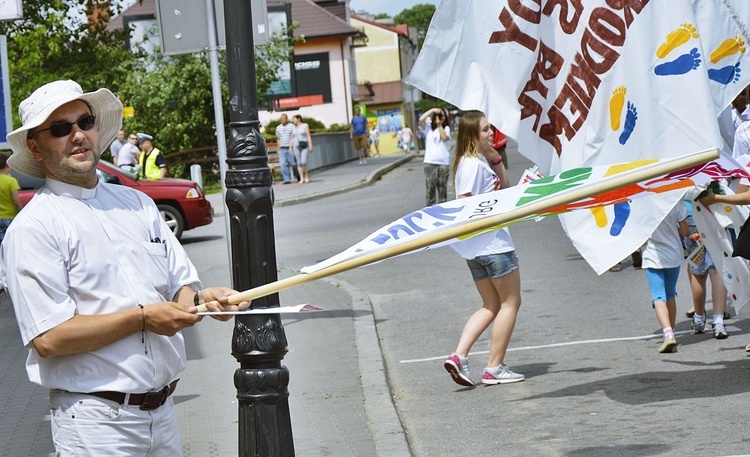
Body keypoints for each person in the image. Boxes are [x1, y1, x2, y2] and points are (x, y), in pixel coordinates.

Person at [1, 79, 250, 455]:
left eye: (84, 122)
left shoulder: (137, 203)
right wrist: (143, 318)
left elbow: (177, 287)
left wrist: (202, 299)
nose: (78, 135)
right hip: (94, 424)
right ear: (35, 146)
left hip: (162, 412)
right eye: (60, 128)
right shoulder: (33, 228)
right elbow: (48, 338)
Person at [442, 110, 524, 387]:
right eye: (486, 130)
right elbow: (466, 203)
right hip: (492, 244)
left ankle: (459, 356)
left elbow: (505, 188)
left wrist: (496, 159)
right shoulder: (472, 166)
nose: (492, 133)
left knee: (491, 305)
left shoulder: (478, 161)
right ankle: (494, 367)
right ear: (473, 135)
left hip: (478, 248)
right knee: (511, 302)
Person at [641, 200, 690, 353]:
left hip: (653, 255)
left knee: (658, 296)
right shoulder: (676, 203)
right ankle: (672, 331)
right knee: (670, 294)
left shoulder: (643, 205)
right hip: (673, 254)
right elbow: (685, 232)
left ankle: (667, 333)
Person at [419, 107, 451, 206]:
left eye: (443, 115)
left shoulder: (446, 128)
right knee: (430, 189)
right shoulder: (428, 128)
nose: (441, 117)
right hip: (430, 162)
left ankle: (443, 211)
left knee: (442, 190)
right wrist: (432, 110)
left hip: (443, 163)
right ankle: (430, 211)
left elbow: (444, 137)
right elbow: (421, 120)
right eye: (439, 115)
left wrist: (440, 125)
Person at [0, 152, 22, 245]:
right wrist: (21, 212)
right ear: (8, 165)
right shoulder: (11, 180)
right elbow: (16, 201)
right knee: (11, 243)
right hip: (10, 216)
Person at [275, 114, 296, 184]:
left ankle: (297, 175)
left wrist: (291, 146)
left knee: (292, 163)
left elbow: (293, 137)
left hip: (290, 148)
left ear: (286, 119)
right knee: (283, 164)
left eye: (284, 119)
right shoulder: (278, 128)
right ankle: (287, 179)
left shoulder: (291, 126)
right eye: (281, 119)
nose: (282, 120)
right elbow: (278, 139)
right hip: (282, 148)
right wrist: (278, 148)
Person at [292, 114, 313, 184]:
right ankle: (301, 178)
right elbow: (292, 138)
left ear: (298, 119)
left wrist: (310, 145)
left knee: (303, 161)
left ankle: (306, 176)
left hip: (304, 145)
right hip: (296, 145)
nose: (293, 121)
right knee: (299, 162)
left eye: (294, 119)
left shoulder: (305, 125)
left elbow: (308, 136)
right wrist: (290, 146)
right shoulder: (293, 127)